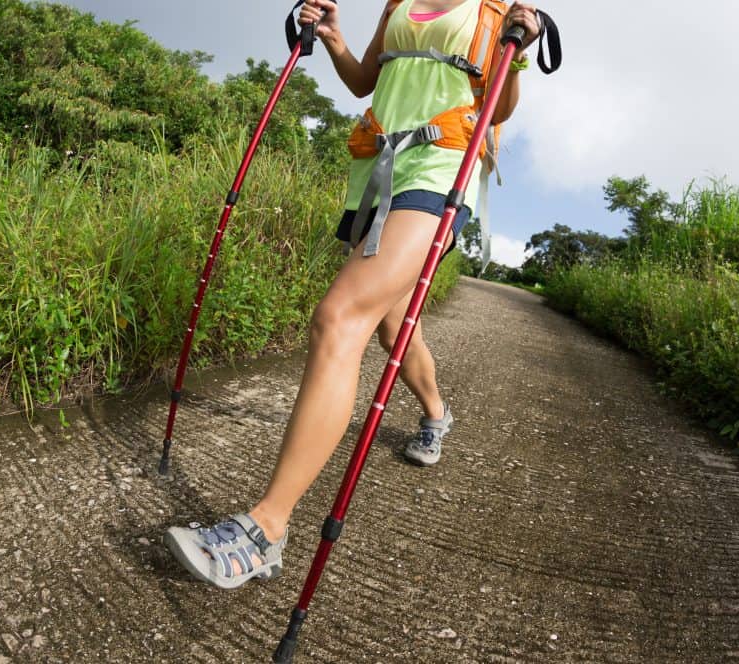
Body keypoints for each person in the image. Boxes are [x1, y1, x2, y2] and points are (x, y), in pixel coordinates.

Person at [165, 0, 541, 589]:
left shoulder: (494, 9)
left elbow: (501, 102)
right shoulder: (399, 4)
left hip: (441, 169)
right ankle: (438, 415)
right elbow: (368, 79)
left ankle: (266, 529)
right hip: (379, 169)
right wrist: (336, 41)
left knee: (340, 317)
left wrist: (519, 51)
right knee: (390, 323)